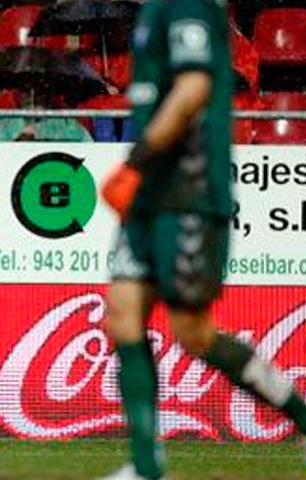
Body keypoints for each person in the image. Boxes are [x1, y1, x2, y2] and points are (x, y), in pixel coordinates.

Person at [98, 1, 306, 478]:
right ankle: (147, 466)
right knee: (124, 309)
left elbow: (194, 88)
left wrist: (137, 161)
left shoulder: (188, 5)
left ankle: (302, 415)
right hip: (151, 196)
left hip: (187, 193)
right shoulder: (153, 11)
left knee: (193, 334)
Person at [0, 89, 92, 142]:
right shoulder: (2, 127)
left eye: (41, 91)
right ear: (18, 96)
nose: (34, 96)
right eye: (26, 91)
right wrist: (17, 144)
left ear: (50, 95)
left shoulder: (70, 126)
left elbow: (89, 154)